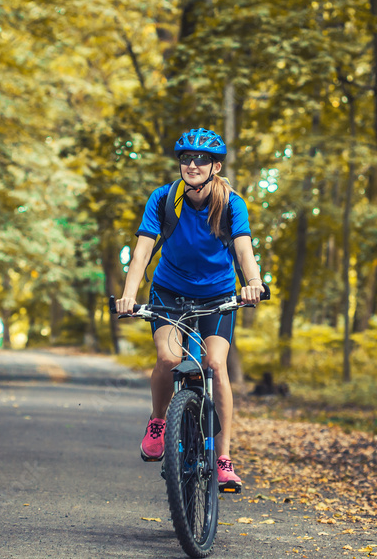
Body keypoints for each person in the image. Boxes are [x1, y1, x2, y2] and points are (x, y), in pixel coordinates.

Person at [115, 127, 264, 492]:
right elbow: (142, 252)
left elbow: (243, 249)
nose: (192, 164)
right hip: (169, 291)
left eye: (200, 159)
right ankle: (159, 421)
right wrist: (128, 295)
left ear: (215, 166)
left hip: (217, 294)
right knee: (168, 359)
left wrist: (254, 282)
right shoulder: (165, 199)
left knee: (215, 364)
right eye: (186, 158)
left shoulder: (231, 203)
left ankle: (224, 459)